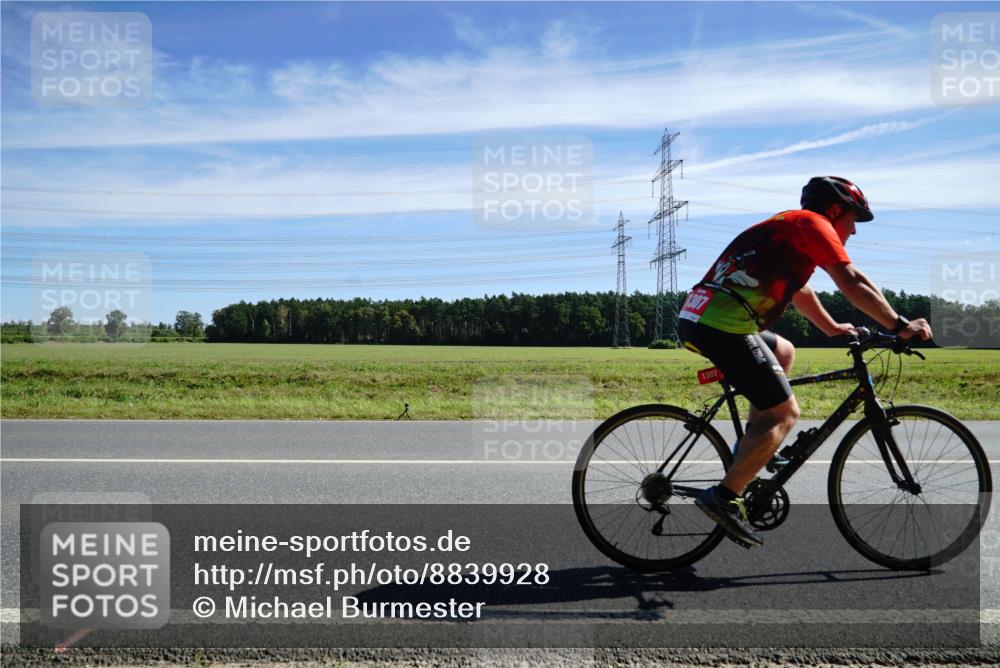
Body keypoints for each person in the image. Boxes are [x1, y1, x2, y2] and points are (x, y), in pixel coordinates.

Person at [678, 176, 933, 548]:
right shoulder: (813, 224)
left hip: (703, 318)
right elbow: (851, 280)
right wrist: (900, 325)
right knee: (784, 413)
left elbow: (800, 289)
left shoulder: (790, 230)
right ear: (834, 211)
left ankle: (751, 447)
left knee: (784, 351)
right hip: (721, 325)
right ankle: (723, 498)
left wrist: (831, 329)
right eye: (853, 220)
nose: (854, 232)